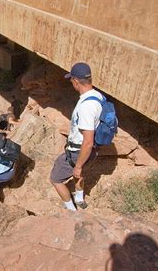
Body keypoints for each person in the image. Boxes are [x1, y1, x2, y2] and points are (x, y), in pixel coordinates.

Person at [50, 62, 102, 211]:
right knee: (79, 173)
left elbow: (88, 141)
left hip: (78, 151)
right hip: (90, 152)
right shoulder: (96, 96)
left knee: (56, 179)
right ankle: (79, 199)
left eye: (71, 80)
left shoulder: (86, 107)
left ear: (76, 81)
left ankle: (71, 211)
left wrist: (78, 165)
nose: (71, 83)